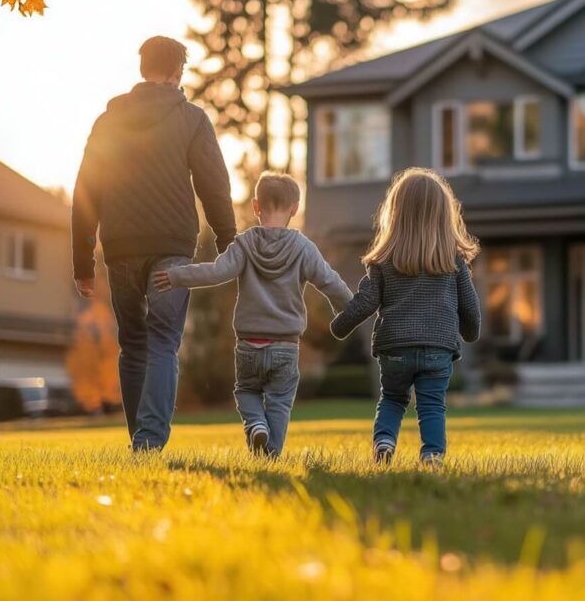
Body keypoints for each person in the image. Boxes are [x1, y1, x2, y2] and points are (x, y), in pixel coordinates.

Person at [71, 36, 236, 451]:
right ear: (178, 71)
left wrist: (82, 261)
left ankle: (139, 441)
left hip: (122, 247)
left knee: (133, 345)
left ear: (142, 68)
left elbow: (86, 190)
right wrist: (228, 240)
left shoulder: (108, 120)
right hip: (172, 249)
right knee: (163, 340)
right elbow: (214, 185)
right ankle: (148, 441)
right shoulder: (192, 119)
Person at [154, 171, 352, 457]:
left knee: (246, 391)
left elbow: (216, 271)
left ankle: (256, 424)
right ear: (294, 209)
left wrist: (177, 276)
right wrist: (352, 308)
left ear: (256, 206)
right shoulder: (303, 248)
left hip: (249, 345)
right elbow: (330, 282)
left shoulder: (244, 245)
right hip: (285, 346)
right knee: (280, 400)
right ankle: (271, 452)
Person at [330, 168, 481, 465]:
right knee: (432, 405)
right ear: (443, 215)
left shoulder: (384, 259)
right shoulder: (454, 260)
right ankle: (432, 455)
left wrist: (339, 326)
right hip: (438, 348)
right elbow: (471, 309)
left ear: (395, 213)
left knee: (392, 399)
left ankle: (384, 444)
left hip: (395, 348)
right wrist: (469, 332)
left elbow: (366, 301)